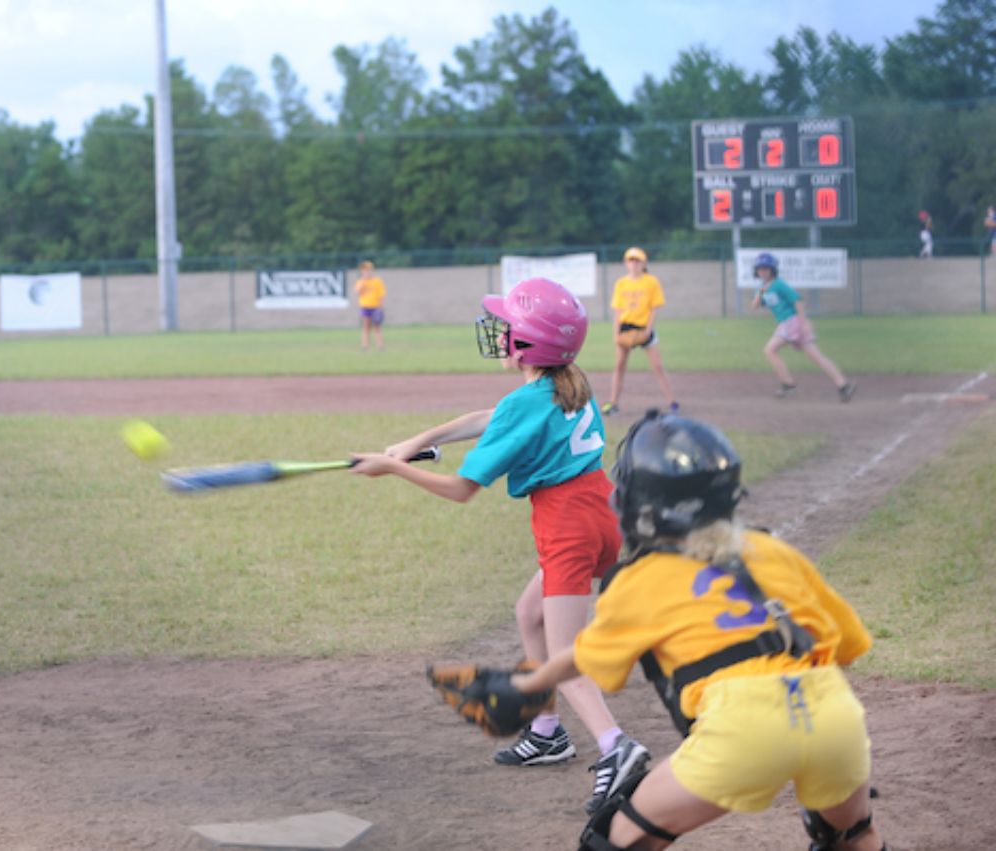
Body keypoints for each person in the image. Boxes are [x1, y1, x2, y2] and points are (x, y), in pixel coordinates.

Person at [505, 410, 888, 851]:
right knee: (852, 837)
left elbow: (599, 668)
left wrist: (529, 682)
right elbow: (849, 646)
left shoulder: (638, 578)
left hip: (742, 729)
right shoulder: (771, 550)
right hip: (834, 716)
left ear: (638, 502)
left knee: (614, 839)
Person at [350, 277, 649, 815]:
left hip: (568, 529)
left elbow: (462, 490)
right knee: (528, 613)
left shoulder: (528, 401)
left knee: (563, 657)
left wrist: (393, 468)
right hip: (604, 516)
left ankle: (616, 748)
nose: (500, 332)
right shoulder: (567, 384)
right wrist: (418, 442)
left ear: (531, 345)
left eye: (509, 326)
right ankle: (547, 729)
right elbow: (486, 419)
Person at [750, 252, 856, 402]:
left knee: (770, 350)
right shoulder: (762, 288)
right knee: (815, 356)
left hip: (791, 321)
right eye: (760, 269)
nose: (763, 271)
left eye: (766, 269)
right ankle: (844, 386)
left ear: (773, 270)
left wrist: (804, 323)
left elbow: (797, 301)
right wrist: (760, 292)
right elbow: (754, 306)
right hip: (786, 323)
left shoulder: (779, 284)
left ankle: (788, 385)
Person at [602, 247, 679, 417]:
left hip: (644, 328)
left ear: (643, 263)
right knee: (619, 365)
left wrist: (648, 330)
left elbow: (654, 308)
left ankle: (672, 402)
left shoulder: (651, 281)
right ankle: (613, 403)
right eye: (630, 260)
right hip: (626, 327)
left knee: (657, 366)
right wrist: (616, 334)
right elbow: (618, 311)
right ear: (625, 263)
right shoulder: (621, 283)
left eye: (637, 260)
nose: (634, 263)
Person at [354, 260, 386, 351]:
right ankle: (365, 346)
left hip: (375, 306)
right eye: (364, 270)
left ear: (372, 270)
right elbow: (357, 292)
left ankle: (380, 345)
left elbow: (381, 295)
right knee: (366, 327)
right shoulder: (361, 281)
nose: (366, 272)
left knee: (377, 327)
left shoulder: (377, 281)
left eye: (368, 270)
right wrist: (363, 281)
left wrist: (380, 308)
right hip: (365, 306)